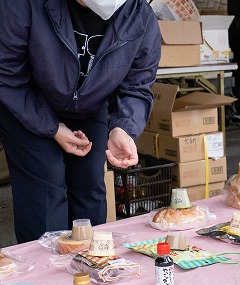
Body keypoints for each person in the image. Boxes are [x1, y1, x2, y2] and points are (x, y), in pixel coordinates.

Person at [0, 0, 161, 243]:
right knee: (46, 187)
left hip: (89, 106)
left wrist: (122, 128)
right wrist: (52, 128)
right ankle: (45, 276)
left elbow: (137, 86)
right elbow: (6, 72)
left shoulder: (139, 16)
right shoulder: (22, 5)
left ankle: (91, 268)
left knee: (90, 188)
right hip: (26, 101)